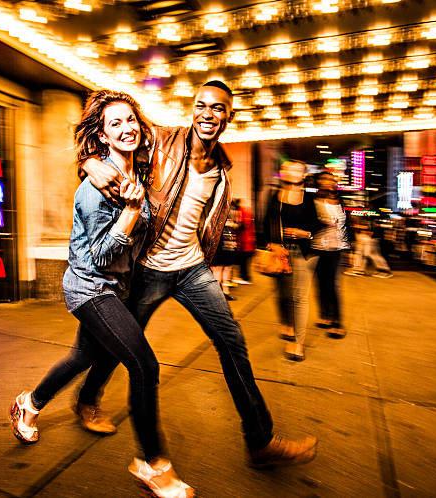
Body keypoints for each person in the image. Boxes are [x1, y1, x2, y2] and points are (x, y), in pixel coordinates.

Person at [82, 81, 317, 472]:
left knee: (232, 341)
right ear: (193, 110)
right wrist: (90, 162)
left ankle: (260, 442)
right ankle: (88, 398)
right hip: (149, 269)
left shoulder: (222, 168)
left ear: (229, 116)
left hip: (191, 269)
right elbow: (106, 142)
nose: (208, 113)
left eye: (218, 108)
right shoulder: (159, 140)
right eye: (201, 105)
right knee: (121, 345)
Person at [9, 90, 194, 497]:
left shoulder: (137, 174)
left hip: (117, 288)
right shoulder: (95, 190)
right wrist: (129, 212)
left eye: (131, 119)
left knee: (82, 356)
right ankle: (152, 463)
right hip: (91, 287)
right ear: (103, 137)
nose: (126, 128)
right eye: (115, 124)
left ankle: (30, 403)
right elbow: (101, 255)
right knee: (145, 366)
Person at [263, 160, 322, 361]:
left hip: (304, 253)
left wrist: (304, 233)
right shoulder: (275, 196)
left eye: (298, 170)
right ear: (283, 172)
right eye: (289, 169)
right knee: (284, 294)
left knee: (299, 298)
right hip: (282, 253)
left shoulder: (310, 197)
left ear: (303, 174)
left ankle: (297, 343)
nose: (294, 172)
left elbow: (318, 224)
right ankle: (287, 323)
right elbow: (267, 221)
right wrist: (272, 244)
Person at [312, 171, 351, 338]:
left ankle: (337, 322)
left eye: (331, 180)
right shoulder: (312, 201)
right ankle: (324, 316)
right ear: (318, 182)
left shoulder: (340, 201)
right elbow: (308, 222)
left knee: (332, 285)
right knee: (320, 284)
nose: (328, 182)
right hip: (317, 247)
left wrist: (350, 249)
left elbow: (347, 225)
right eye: (324, 179)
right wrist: (321, 223)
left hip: (337, 248)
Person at [211, 198, 240, 300]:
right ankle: (217, 293)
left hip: (229, 240)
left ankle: (225, 291)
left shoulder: (232, 208)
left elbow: (237, 224)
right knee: (219, 268)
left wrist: (233, 224)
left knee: (227, 267)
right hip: (220, 240)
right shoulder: (216, 207)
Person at [235, 198, 256, 284]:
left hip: (244, 240)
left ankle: (245, 278)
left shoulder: (242, 210)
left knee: (243, 260)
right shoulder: (248, 210)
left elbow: (244, 224)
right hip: (249, 239)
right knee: (245, 260)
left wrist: (235, 226)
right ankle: (245, 277)